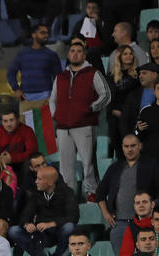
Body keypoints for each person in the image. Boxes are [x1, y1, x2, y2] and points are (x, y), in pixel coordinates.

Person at [50, 42, 111, 201]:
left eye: (79, 51)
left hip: (85, 125)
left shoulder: (93, 73)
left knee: (88, 162)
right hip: (63, 127)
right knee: (65, 165)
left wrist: (92, 108)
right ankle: (68, 196)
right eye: (72, 51)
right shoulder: (61, 76)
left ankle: (92, 192)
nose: (75, 54)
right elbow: (52, 99)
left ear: (84, 55)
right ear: (68, 55)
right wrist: (56, 114)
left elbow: (106, 95)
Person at [12, 165, 79, 256]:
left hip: (58, 231)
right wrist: (27, 224)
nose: (36, 181)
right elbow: (26, 214)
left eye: (39, 179)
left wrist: (51, 224)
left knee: (69, 227)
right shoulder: (35, 194)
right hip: (41, 234)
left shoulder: (67, 193)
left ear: (50, 182)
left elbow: (74, 217)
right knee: (14, 231)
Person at [6, 23, 63, 101]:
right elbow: (11, 73)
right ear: (33, 35)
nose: (46, 35)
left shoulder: (51, 55)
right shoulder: (22, 54)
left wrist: (54, 94)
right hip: (26, 96)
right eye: (42, 33)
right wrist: (16, 89)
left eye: (47, 33)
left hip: (46, 96)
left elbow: (59, 77)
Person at [106, 45, 140, 159]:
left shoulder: (138, 75)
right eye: (125, 54)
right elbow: (107, 98)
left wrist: (125, 114)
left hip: (132, 114)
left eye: (130, 54)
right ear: (119, 57)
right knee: (119, 146)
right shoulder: (111, 77)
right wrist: (114, 111)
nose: (129, 56)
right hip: (115, 114)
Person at [0, 110, 39, 177]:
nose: (8, 124)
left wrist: (12, 158)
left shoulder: (27, 130)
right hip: (5, 165)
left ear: (18, 120)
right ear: (2, 122)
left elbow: (33, 153)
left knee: (30, 163)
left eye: (11, 120)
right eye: (5, 121)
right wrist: (0, 160)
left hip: (23, 164)